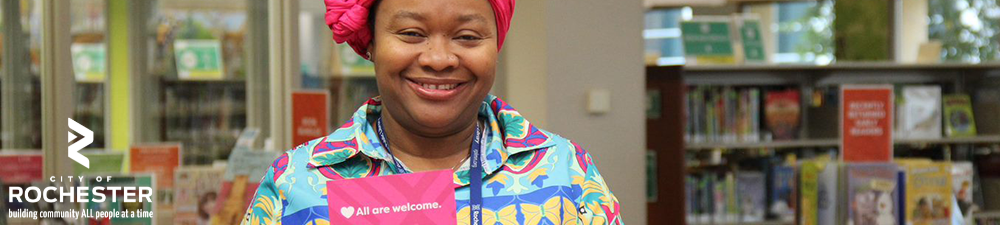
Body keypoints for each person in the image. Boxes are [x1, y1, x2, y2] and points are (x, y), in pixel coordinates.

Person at [241, 0, 622, 224]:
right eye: (411, 33)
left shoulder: (565, 172)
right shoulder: (297, 183)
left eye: (467, 37)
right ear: (371, 43)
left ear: (496, 46)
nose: (439, 59)